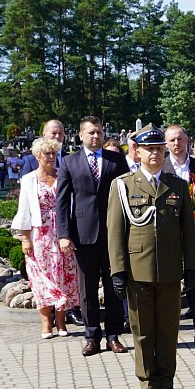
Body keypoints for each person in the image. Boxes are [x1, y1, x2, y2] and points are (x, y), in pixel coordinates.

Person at [107, 127, 195, 389]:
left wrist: (192, 267)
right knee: (143, 330)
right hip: (138, 269)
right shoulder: (124, 185)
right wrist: (118, 271)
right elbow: (115, 231)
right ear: (138, 152)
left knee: (168, 330)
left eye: (160, 148)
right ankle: (148, 383)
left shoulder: (177, 185)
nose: (156, 153)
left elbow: (188, 231)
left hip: (170, 269)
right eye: (150, 149)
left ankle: (167, 382)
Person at [56, 116, 130, 357]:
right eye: (90, 133)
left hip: (113, 233)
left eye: (98, 132)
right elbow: (62, 202)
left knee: (114, 286)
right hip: (82, 234)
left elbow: (127, 195)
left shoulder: (116, 160)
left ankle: (113, 335)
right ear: (80, 136)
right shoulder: (69, 162)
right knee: (86, 289)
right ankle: (91, 336)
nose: (95, 136)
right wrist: (64, 234)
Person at [13, 136, 80, 337]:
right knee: (41, 278)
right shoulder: (29, 179)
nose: (51, 157)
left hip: (63, 233)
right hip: (40, 235)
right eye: (46, 153)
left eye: (54, 153)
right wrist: (25, 238)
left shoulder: (63, 175)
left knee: (63, 276)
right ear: (37, 156)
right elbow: (24, 210)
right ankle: (45, 323)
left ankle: (61, 322)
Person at [164, 124, 195, 346]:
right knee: (170, 284)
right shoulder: (161, 167)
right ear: (167, 143)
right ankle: (169, 334)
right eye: (172, 140)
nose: (176, 144)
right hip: (169, 234)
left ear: (187, 140)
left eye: (180, 139)